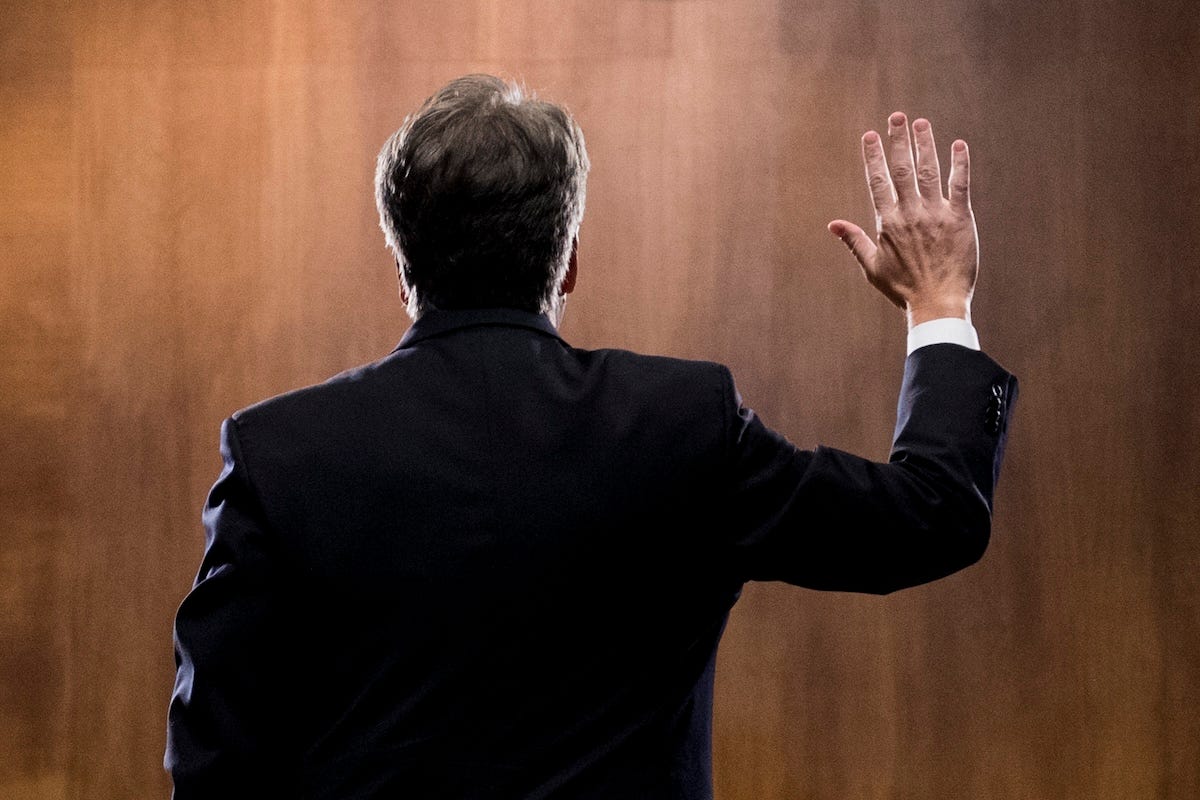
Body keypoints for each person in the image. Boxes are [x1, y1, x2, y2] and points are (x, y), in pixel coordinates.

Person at [165, 74, 1016, 799]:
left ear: (401, 266)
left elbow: (213, 771)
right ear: (568, 259)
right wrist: (939, 302)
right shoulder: (681, 424)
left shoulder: (278, 454)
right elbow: (932, 514)